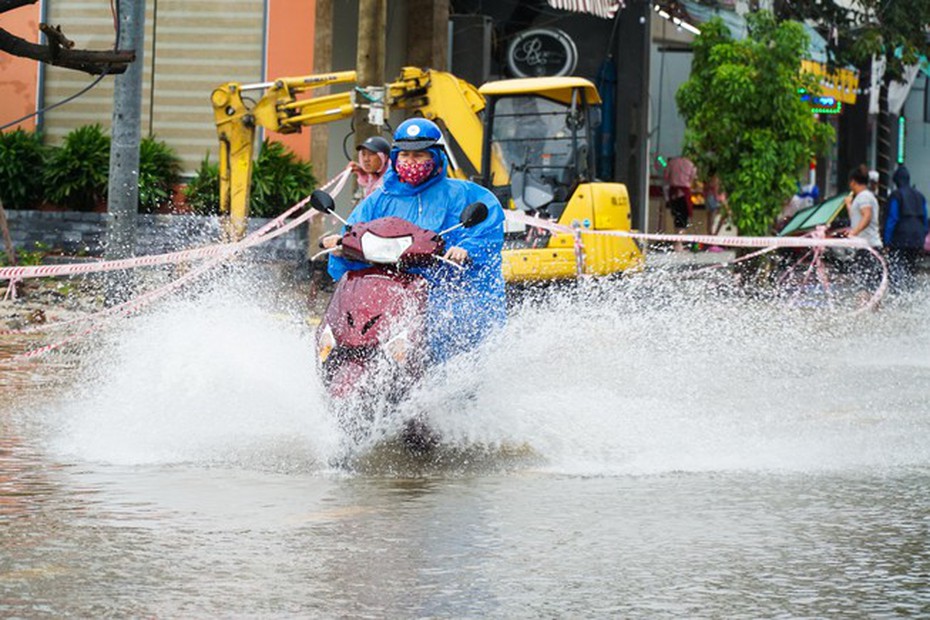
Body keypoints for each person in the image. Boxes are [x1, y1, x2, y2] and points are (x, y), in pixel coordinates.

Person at [323, 118, 506, 364]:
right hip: (388, 291)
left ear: (436, 157)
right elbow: (355, 230)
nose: (411, 162)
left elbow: (486, 229)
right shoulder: (379, 200)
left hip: (443, 292)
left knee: (450, 331)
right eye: (405, 155)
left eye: (420, 155)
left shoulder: (466, 194)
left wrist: (466, 249)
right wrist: (340, 244)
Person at [883, 165, 929, 290]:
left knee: (895, 266)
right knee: (911, 268)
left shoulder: (896, 196)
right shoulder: (920, 196)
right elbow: (925, 218)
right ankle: (910, 291)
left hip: (900, 237)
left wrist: (886, 241)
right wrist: (923, 235)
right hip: (917, 238)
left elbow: (892, 218)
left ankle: (896, 293)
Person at [840, 165, 883, 291]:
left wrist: (854, 232)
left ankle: (870, 310)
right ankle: (871, 310)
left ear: (853, 181)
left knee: (868, 287)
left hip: (869, 246)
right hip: (864, 246)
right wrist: (849, 205)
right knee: (867, 287)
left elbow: (867, 216)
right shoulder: (862, 197)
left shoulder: (864, 196)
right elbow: (856, 218)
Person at [663, 155, 697, 250]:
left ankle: (677, 243)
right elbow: (692, 179)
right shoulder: (690, 165)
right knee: (683, 219)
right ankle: (679, 243)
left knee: (676, 218)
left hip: (673, 193)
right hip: (684, 193)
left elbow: (666, 177)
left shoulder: (671, 163)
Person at [350, 135, 391, 200]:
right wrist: (362, 173)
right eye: (363, 154)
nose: (366, 159)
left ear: (384, 157)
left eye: (371, 154)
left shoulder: (391, 182)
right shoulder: (373, 177)